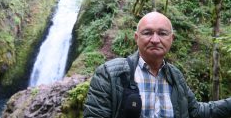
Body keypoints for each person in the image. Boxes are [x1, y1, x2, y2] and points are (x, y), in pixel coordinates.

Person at [83, 11, 231, 118]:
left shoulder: (176, 77)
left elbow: (197, 111)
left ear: (171, 38)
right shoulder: (110, 74)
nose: (155, 39)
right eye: (147, 33)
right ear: (137, 38)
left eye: (162, 33)